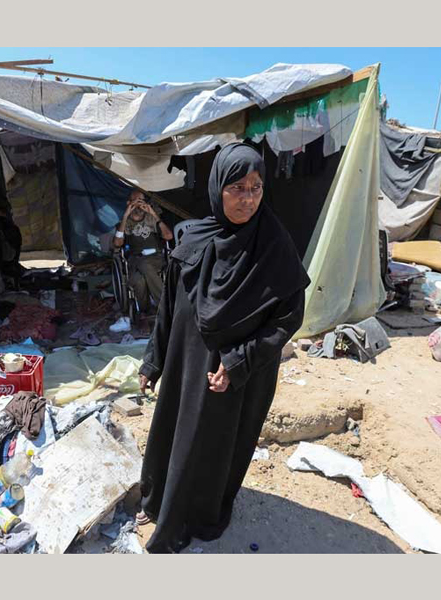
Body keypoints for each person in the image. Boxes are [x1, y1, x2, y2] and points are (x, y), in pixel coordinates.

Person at [135, 142, 311, 553]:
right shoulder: (194, 238)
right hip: (186, 363)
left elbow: (288, 318)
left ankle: (194, 518)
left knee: (214, 449)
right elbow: (170, 309)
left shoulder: (273, 246)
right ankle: (158, 501)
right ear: (218, 188)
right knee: (174, 435)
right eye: (237, 188)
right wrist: (152, 362)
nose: (248, 199)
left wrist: (239, 362)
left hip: (236, 376)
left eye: (256, 187)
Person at [113, 190, 173, 311]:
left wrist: (154, 214)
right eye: (135, 201)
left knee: (143, 267)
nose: (139, 204)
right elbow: (117, 243)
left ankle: (163, 307)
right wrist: (125, 216)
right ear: (129, 203)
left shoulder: (151, 219)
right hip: (135, 259)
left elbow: (169, 236)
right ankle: (148, 310)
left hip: (155, 258)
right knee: (138, 280)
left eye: (141, 201)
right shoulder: (125, 223)